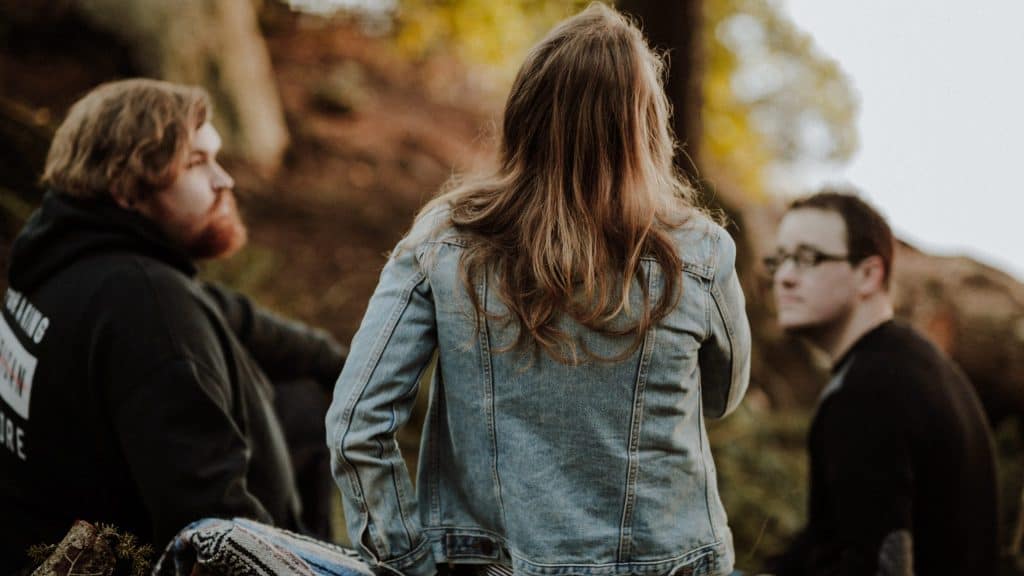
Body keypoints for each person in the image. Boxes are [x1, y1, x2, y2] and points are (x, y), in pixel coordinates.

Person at [326, 5, 751, 576]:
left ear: (524, 111)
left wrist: (407, 561)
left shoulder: (446, 238)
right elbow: (722, 398)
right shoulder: (699, 252)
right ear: (648, 126)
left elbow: (356, 424)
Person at [0, 79, 344, 574]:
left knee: (305, 397)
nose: (224, 180)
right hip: (114, 558)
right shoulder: (148, 310)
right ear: (127, 186)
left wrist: (351, 368)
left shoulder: (61, 256)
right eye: (197, 163)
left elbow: (234, 315)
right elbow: (220, 533)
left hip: (47, 529)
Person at [764, 190, 998, 575]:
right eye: (780, 260)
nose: (784, 277)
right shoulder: (912, 363)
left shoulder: (869, 392)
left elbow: (873, 566)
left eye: (807, 258)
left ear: (868, 274)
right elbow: (838, 536)